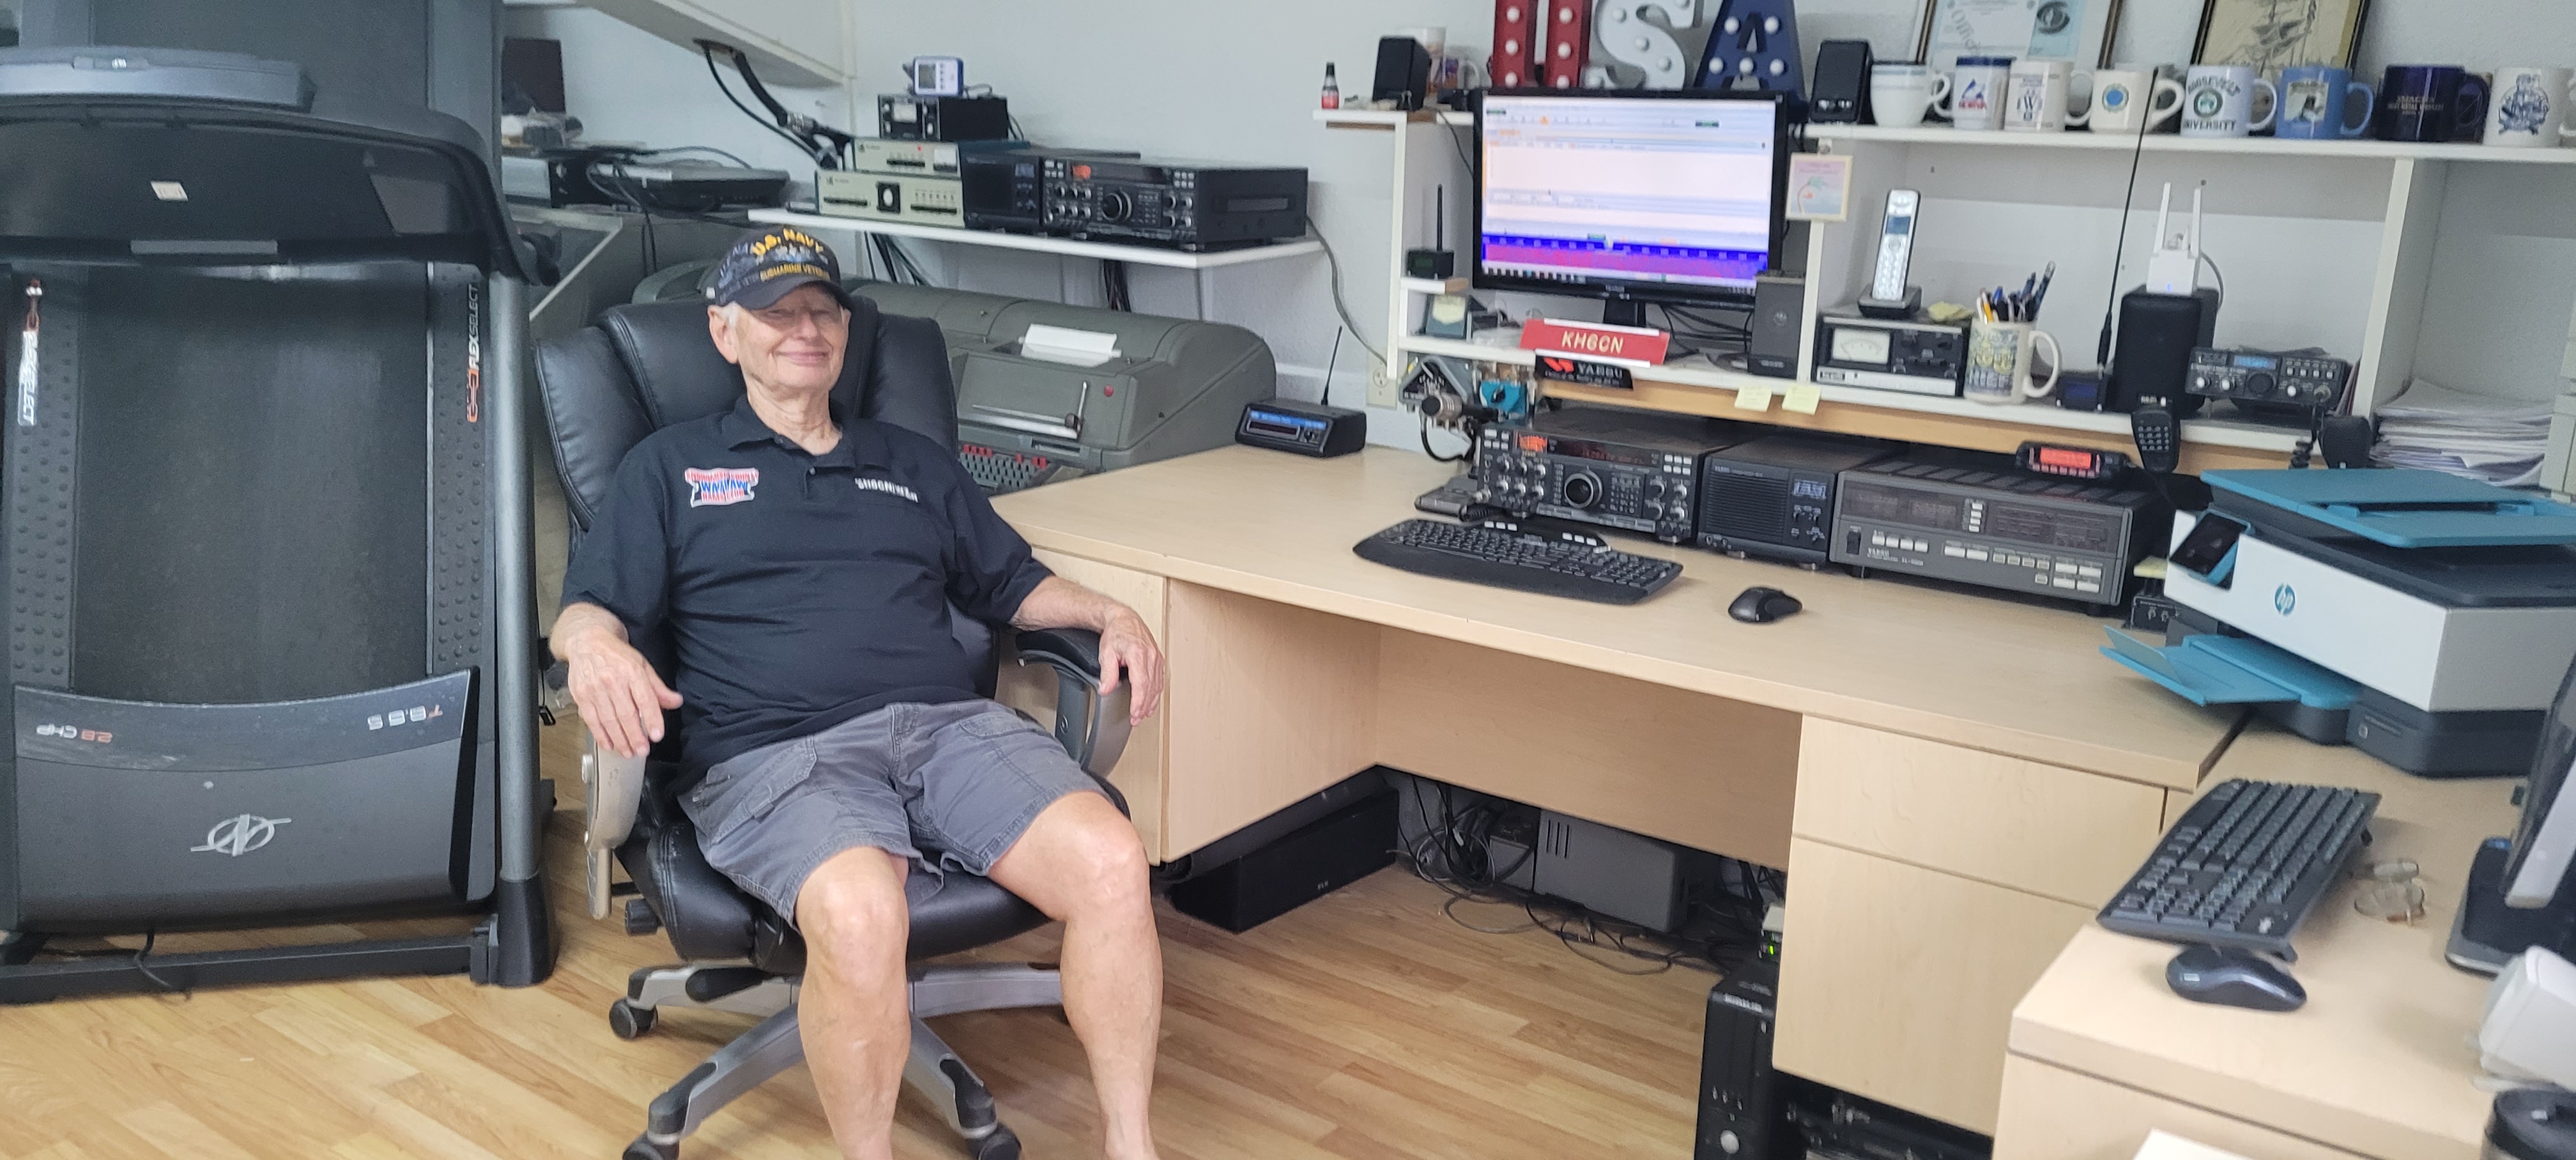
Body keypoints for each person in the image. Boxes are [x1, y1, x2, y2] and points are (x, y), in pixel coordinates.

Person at [555, 227, 1167, 1160]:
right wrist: (595, 647)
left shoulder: (913, 462)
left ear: (845, 331)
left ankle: (1131, 1144)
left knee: (1114, 861)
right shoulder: (670, 468)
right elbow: (587, 609)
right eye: (776, 312)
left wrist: (1110, 612)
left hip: (949, 730)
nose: (805, 329)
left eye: (822, 311)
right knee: (860, 911)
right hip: (774, 752)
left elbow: (1012, 584)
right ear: (724, 333)